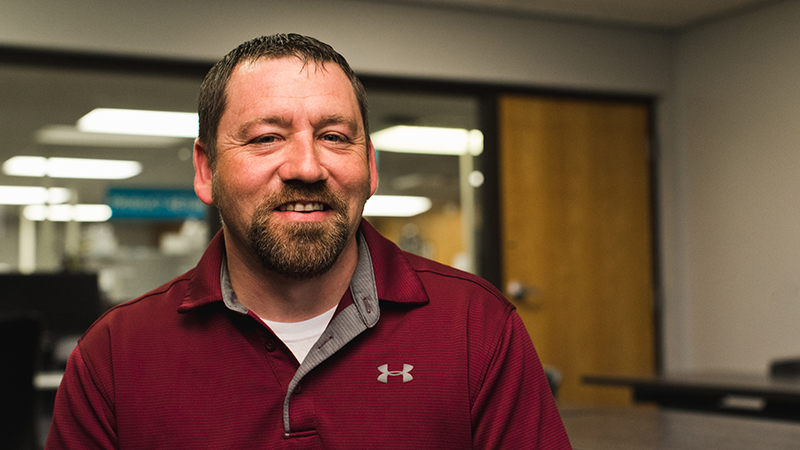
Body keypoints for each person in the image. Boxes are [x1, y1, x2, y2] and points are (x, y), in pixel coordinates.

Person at [46, 33, 571, 449]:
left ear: (369, 168)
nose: (306, 166)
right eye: (266, 137)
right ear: (206, 171)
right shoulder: (115, 355)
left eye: (334, 137)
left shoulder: (475, 327)